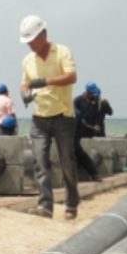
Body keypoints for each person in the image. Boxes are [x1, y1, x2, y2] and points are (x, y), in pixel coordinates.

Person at [19, 14, 80, 220]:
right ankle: (45, 206)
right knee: (40, 162)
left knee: (67, 162)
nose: (30, 46)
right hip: (39, 118)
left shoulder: (62, 52)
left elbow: (72, 76)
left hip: (63, 116)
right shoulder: (28, 61)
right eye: (27, 42)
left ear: (43, 35)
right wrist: (25, 92)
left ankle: (71, 204)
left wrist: (46, 81)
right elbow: (25, 83)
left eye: (32, 40)